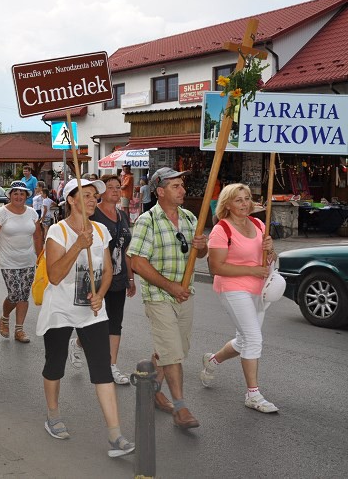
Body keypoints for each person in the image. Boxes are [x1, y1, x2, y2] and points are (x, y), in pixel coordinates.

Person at [36, 178, 135, 458]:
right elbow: (55, 276)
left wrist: (100, 295)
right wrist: (78, 245)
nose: (93, 200)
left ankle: (115, 434)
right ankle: (53, 415)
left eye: (95, 196)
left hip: (91, 310)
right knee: (55, 365)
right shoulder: (57, 231)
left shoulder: (101, 230)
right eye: (87, 195)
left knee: (102, 369)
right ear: (71, 199)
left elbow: (108, 270)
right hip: (60, 309)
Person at [127, 167, 208, 430]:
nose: (183, 190)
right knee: (173, 353)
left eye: (182, 185)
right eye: (176, 186)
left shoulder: (189, 217)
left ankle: (151, 386)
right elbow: (137, 263)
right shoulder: (147, 221)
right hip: (159, 296)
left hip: (184, 295)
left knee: (175, 348)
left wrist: (202, 247)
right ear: (160, 191)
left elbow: (200, 255)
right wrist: (170, 286)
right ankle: (181, 408)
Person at [201, 183, 279, 413]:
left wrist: (270, 250)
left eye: (247, 198)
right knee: (253, 338)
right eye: (238, 200)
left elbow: (269, 260)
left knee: (243, 340)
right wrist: (252, 270)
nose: (245, 203)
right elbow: (216, 267)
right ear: (227, 205)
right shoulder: (221, 230)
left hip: (259, 288)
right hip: (233, 287)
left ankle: (212, 360)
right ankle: (253, 395)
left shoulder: (258, 224)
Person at [72, 174, 135, 385]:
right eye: (111, 187)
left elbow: (125, 249)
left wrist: (131, 278)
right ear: (101, 193)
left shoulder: (122, 215)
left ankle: (111, 366)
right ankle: (78, 343)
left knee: (115, 323)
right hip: (96, 277)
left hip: (118, 277)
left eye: (118, 187)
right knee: (94, 322)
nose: (116, 191)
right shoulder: (93, 215)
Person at [0, 181, 42, 344]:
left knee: (23, 295)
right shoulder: (1, 213)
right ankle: (4, 318)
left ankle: (19, 330)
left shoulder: (32, 213)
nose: (18, 196)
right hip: (8, 261)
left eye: (22, 193)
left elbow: (37, 236)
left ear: (26, 196)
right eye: (15, 193)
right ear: (10, 195)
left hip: (28, 260)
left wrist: (40, 257)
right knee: (14, 294)